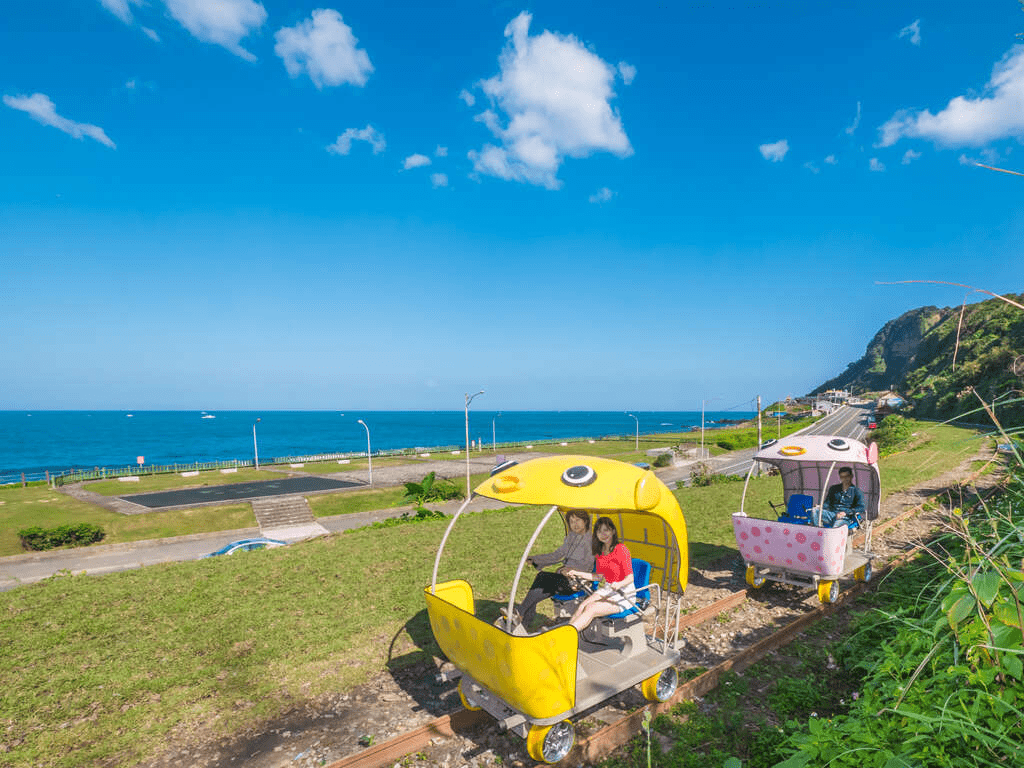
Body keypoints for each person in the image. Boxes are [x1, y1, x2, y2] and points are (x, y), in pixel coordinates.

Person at [514, 509, 595, 627]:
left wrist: (568, 570)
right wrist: (536, 559)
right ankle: (524, 619)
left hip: (578, 582)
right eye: (571, 521)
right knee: (540, 583)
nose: (574, 524)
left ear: (585, 521)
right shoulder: (572, 537)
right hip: (564, 578)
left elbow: (586, 565)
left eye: (578, 520)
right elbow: (557, 555)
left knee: (543, 579)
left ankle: (522, 614)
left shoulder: (591, 541)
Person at [565, 516, 634, 632]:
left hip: (623, 593)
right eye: (599, 531)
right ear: (596, 534)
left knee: (591, 608)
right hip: (608, 589)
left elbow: (630, 578)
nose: (603, 534)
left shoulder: (621, 549)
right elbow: (599, 576)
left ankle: (567, 637)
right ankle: (564, 634)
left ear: (612, 531)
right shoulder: (600, 552)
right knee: (582, 606)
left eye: (606, 530)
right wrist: (578, 573)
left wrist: (619, 584)